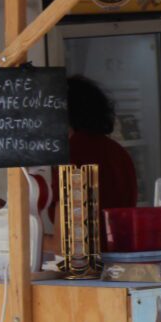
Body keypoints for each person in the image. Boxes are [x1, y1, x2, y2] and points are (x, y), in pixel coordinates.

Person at [48, 75, 138, 224]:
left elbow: (68, 224)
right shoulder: (118, 151)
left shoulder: (72, 152)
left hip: (89, 239)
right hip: (120, 237)